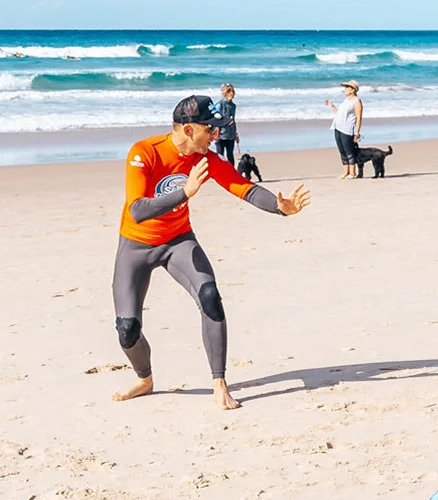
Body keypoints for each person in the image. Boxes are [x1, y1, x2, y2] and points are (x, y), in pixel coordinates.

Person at [113, 94, 310, 410]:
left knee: (210, 298)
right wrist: (185, 191)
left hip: (178, 241)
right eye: (211, 129)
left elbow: (242, 186)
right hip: (136, 245)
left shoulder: (206, 159)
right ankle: (145, 379)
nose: (216, 135)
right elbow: (137, 210)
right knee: (127, 329)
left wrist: (279, 207)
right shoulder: (144, 153)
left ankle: (219, 383)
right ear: (189, 129)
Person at [325, 80, 364, 179]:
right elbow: (339, 114)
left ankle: (352, 173)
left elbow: (359, 118)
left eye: (347, 88)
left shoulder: (357, 101)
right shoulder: (346, 101)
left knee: (349, 151)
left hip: (347, 129)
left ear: (353, 90)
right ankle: (346, 172)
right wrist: (332, 106)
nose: (345, 90)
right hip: (337, 127)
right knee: (342, 151)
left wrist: (357, 133)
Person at [214, 83, 239, 169]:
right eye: (229, 91)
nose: (231, 93)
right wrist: (215, 132)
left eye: (232, 91)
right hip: (220, 134)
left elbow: (233, 120)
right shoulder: (219, 104)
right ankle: (220, 174)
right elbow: (215, 119)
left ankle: (232, 174)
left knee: (230, 155)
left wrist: (236, 134)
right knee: (220, 156)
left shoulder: (233, 106)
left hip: (231, 134)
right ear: (224, 92)